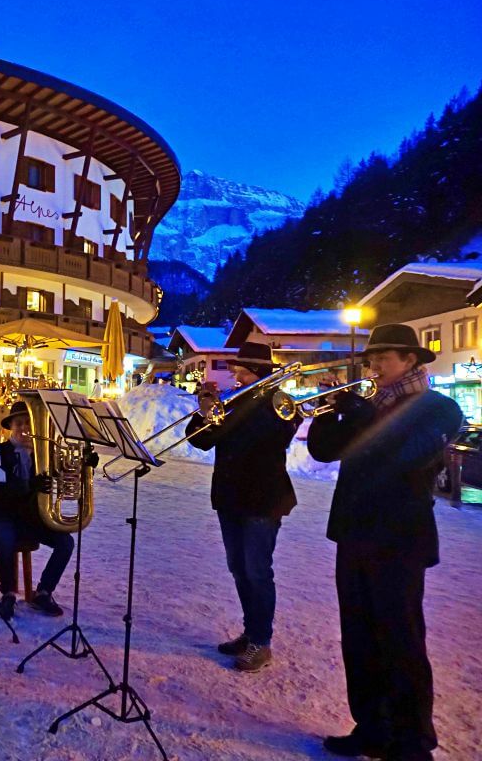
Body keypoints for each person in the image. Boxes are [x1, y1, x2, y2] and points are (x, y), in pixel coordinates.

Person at [308, 324, 462, 761]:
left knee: (401, 639)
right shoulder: (371, 404)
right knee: (357, 637)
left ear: (411, 360)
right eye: (371, 360)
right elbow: (323, 452)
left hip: (398, 540)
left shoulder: (439, 408)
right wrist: (326, 412)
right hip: (354, 532)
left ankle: (413, 742)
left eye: (384, 359)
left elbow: (405, 458)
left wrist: (364, 417)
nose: (373, 367)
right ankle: (372, 728)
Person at [186, 341, 299, 672]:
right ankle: (251, 633)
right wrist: (207, 412)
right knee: (239, 568)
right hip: (231, 497)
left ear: (260, 374)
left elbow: (265, 435)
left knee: (257, 570)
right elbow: (201, 439)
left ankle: (261, 642)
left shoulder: (278, 403)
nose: (236, 377)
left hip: (263, 500)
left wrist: (215, 409)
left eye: (242, 372)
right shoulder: (234, 405)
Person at [0, 400, 75, 621]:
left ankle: (43, 592)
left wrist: (83, 465)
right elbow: (1, 488)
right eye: (19, 423)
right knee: (5, 539)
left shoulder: (43, 454)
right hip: (4, 514)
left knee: (66, 543)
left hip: (32, 518)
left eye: (28, 423)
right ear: (11, 427)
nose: (24, 428)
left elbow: (63, 477)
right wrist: (30, 484)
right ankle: (8, 594)